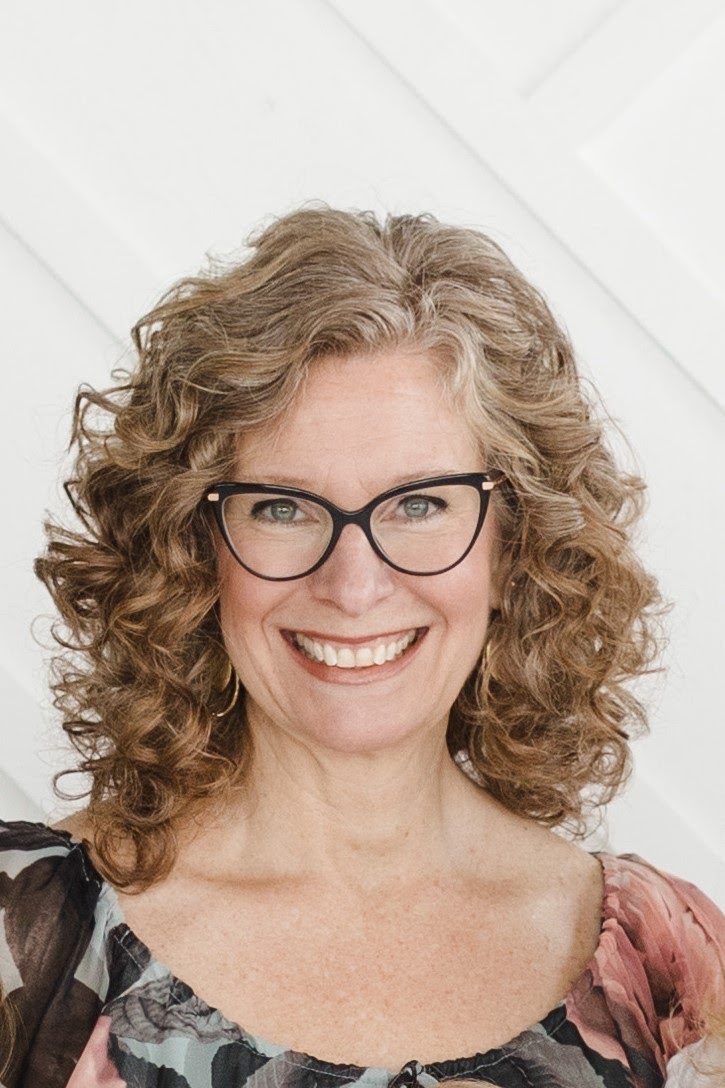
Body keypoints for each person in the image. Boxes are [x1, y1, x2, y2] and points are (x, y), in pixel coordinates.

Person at [0, 207, 723, 1088]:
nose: (352, 585)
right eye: (282, 507)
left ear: (514, 546)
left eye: (419, 505)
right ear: (193, 547)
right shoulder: (19, 925)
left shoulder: (669, 959)